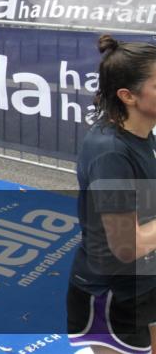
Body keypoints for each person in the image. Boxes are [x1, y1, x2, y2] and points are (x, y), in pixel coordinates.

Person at [67, 35, 156, 354]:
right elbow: (127, 246)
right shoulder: (111, 154)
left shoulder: (143, 133)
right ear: (128, 96)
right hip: (113, 298)